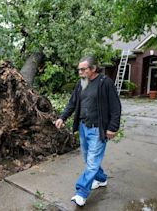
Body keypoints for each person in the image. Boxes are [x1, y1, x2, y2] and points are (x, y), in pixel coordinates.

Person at [55, 55, 121, 207]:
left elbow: (115, 107)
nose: (80, 72)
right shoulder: (82, 83)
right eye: (79, 69)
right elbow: (72, 102)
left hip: (98, 129)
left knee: (91, 162)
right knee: (88, 159)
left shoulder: (105, 83)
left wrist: (113, 128)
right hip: (84, 127)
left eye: (83, 69)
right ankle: (101, 178)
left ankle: (81, 193)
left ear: (93, 68)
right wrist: (62, 117)